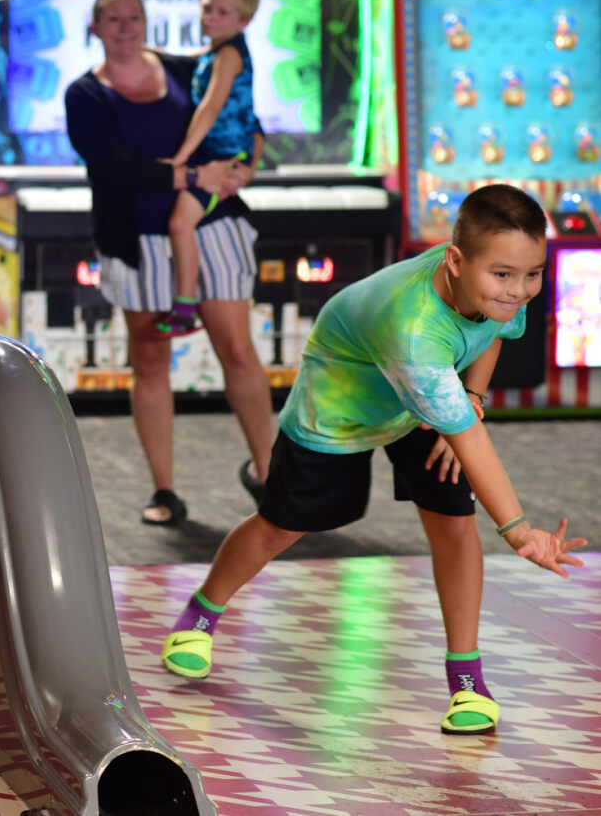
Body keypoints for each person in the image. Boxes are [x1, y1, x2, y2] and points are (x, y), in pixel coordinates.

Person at [160, 184, 585, 736]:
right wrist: (520, 530)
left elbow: (493, 336)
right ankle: (200, 613)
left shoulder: (494, 286)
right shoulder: (414, 330)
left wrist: (472, 402)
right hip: (342, 400)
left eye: (533, 274)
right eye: (505, 275)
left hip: (426, 398)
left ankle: (467, 681)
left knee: (455, 525)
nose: (520, 290)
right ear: (454, 262)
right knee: (282, 526)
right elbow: (472, 442)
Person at [64, 0, 273, 528]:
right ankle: (165, 489)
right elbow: (114, 166)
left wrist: (244, 169)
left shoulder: (187, 68)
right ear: (95, 27)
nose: (125, 27)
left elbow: (247, 121)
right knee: (151, 358)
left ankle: (270, 473)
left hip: (213, 225)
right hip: (136, 239)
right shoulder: (84, 95)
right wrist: (189, 173)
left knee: (237, 349)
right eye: (113, 18)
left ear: (146, 22)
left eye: (134, 17)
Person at [157, 0, 262, 337]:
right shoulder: (219, 49)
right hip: (227, 153)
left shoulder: (230, 54)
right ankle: (186, 303)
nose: (209, 18)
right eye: (206, 9)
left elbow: (212, 106)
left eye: (221, 13)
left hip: (220, 156)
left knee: (179, 224)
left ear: (243, 21)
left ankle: (185, 308)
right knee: (181, 223)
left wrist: (182, 157)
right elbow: (183, 58)